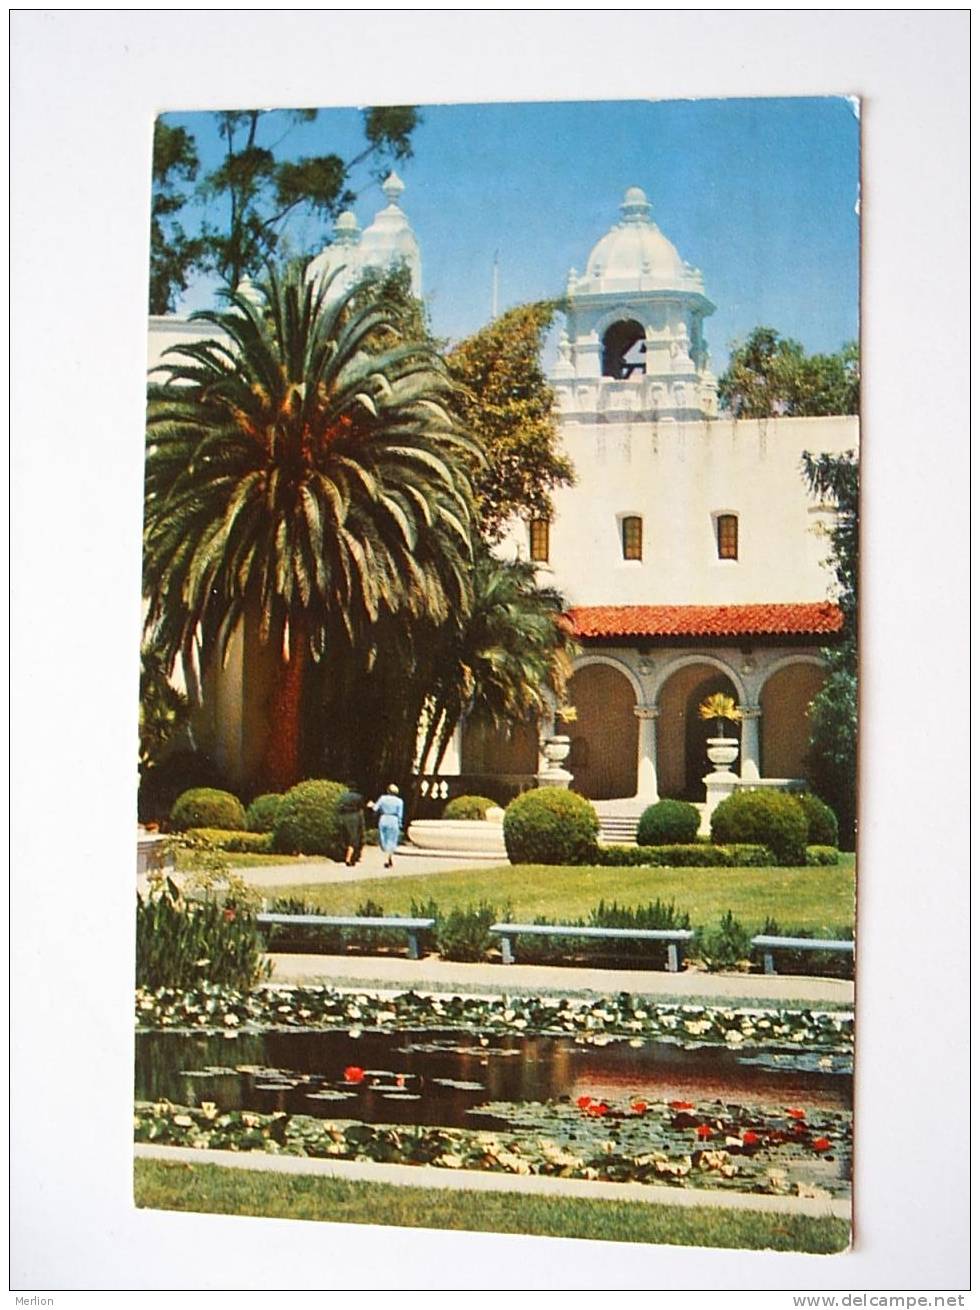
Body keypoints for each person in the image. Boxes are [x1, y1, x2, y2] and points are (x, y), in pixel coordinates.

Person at [370, 784, 404, 869]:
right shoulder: (399, 801)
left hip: (383, 818)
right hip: (393, 819)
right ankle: (387, 857)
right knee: (392, 840)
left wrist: (372, 805)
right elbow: (400, 814)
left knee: (383, 838)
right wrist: (400, 823)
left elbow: (375, 808)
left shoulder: (382, 798)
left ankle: (387, 857)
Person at [337, 784, 366, 867]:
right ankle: (349, 858)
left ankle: (346, 855)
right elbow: (361, 808)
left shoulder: (343, 797)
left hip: (344, 817)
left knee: (345, 837)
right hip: (354, 817)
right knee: (353, 839)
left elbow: (339, 807)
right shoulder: (358, 797)